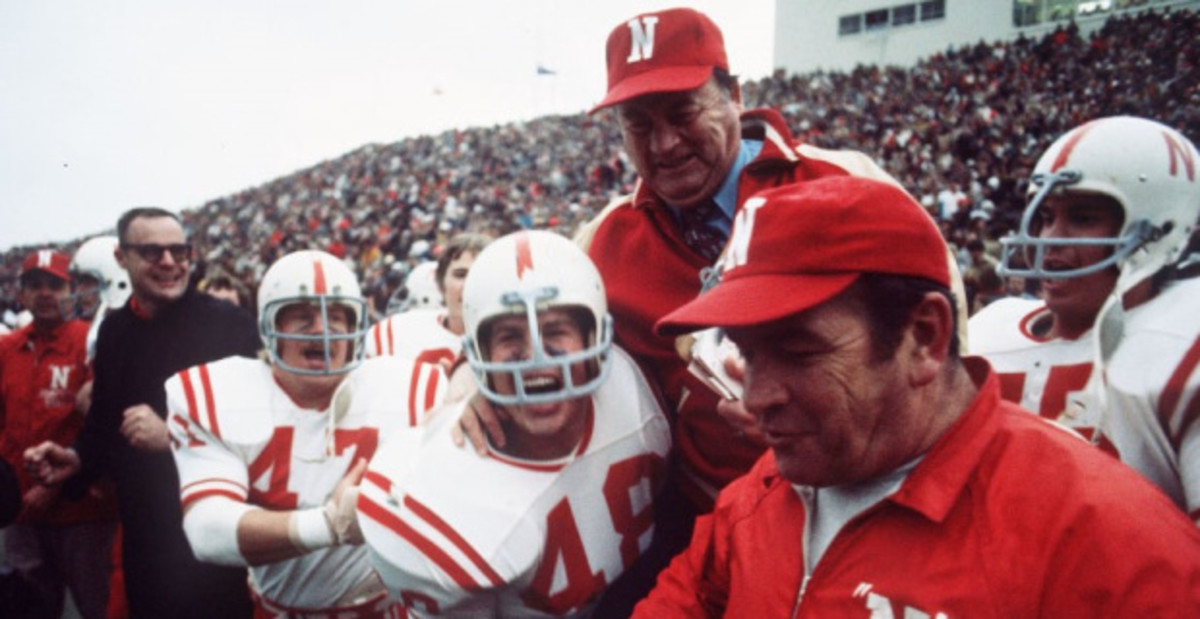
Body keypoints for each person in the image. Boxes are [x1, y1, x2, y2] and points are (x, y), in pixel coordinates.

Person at [458, 7, 964, 614]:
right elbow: (533, 333)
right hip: (695, 523)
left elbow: (945, 352)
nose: (664, 143)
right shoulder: (605, 239)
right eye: (637, 123)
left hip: (863, 504)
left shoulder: (844, 183)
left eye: (683, 112)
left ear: (735, 96)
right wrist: (480, 389)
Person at [636, 176, 1200, 616]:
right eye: (749, 352)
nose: (757, 398)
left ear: (925, 337)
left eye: (800, 351)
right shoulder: (766, 489)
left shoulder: (1103, 540)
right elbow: (686, 598)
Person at [358, 230, 670, 617]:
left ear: (595, 336)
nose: (535, 355)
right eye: (509, 335)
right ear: (478, 354)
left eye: (555, 329)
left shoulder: (634, 386)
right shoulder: (443, 483)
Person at [167, 249, 446, 617]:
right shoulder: (221, 394)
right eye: (301, 316)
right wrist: (329, 525)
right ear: (269, 329)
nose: (322, 329)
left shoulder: (408, 386)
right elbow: (208, 531)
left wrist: (463, 390)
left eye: (337, 316)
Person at [24, 207, 260, 618]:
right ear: (122, 258)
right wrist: (75, 459)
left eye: (178, 251)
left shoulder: (230, 325)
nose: (169, 262)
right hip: (144, 540)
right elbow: (102, 426)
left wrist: (174, 434)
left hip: (215, 543)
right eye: (152, 252)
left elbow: (260, 433)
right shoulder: (114, 332)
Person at [970, 116, 1200, 521]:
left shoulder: (1180, 341)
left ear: (1159, 231)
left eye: (1083, 217)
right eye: (1045, 217)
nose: (1050, 239)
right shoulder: (990, 332)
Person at [0, 250, 117, 619]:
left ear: (72, 289)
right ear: (21, 294)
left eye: (55, 284)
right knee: (27, 608)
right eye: (35, 285)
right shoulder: (6, 350)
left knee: (99, 606)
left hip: (82, 511)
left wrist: (55, 486)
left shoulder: (92, 344)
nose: (45, 293)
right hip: (23, 514)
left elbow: (101, 427)